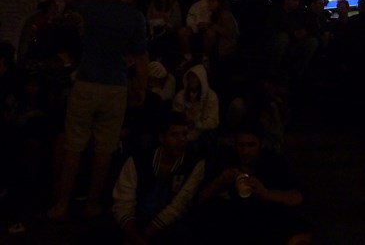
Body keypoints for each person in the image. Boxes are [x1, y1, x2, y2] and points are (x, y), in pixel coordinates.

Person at [47, 0, 149, 221]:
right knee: (105, 147)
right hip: (116, 84)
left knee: (74, 143)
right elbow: (142, 57)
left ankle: (61, 203)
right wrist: (140, 87)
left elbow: (73, 2)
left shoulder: (94, 9)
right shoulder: (135, 16)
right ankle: (93, 204)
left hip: (87, 80)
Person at [194, 120, 312, 244]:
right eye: (241, 145)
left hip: (266, 217)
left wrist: (266, 193)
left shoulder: (273, 162)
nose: (245, 151)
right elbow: (200, 199)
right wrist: (220, 181)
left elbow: (299, 196)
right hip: (236, 218)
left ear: (260, 145)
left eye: (251, 145)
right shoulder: (226, 159)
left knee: (298, 225)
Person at [111, 111, 205, 244]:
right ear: (162, 138)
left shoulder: (194, 163)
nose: (181, 140)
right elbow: (123, 201)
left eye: (184, 134)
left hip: (170, 224)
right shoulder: (139, 160)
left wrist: (144, 236)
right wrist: (132, 234)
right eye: (174, 135)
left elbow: (180, 205)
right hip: (137, 219)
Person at [171, 64, 219, 153]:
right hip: (183, 131)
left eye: (195, 77)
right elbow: (176, 116)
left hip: (202, 131)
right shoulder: (180, 96)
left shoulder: (211, 97)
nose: (191, 80)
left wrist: (198, 124)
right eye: (190, 77)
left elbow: (214, 120)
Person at [177, 0, 217, 70]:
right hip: (194, 29)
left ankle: (205, 58)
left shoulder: (214, 5)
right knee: (182, 32)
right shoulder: (195, 5)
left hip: (208, 30)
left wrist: (207, 25)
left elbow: (216, 20)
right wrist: (195, 27)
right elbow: (190, 19)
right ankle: (187, 57)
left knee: (210, 34)